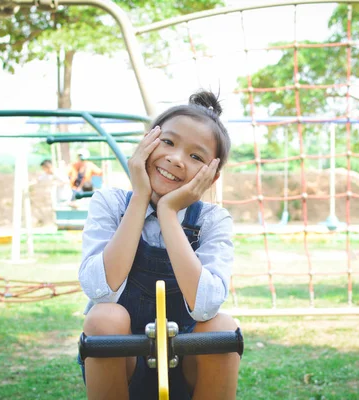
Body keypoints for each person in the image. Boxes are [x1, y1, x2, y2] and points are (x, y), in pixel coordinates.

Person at [78, 90, 239, 400]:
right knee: (105, 317)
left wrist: (168, 211)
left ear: (212, 176)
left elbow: (206, 306)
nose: (176, 159)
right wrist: (140, 198)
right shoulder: (111, 203)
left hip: (190, 366)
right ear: (147, 142)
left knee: (222, 326)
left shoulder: (213, 220)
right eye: (168, 142)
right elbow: (101, 291)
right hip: (120, 363)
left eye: (196, 157)